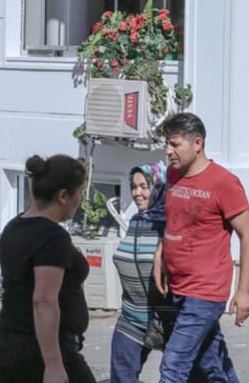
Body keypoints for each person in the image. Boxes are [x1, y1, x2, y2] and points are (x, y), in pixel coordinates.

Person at [154, 112, 249, 383]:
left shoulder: (224, 183)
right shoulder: (172, 175)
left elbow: (247, 235)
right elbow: (175, 222)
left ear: (197, 143)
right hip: (178, 286)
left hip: (206, 291)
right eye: (167, 143)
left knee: (173, 366)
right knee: (212, 366)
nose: (168, 151)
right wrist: (160, 255)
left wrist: (244, 291)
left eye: (175, 144)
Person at [0, 154, 96, 383]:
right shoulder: (51, 236)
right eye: (79, 193)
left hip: (9, 343)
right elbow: (44, 300)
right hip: (38, 351)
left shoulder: (15, 226)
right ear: (63, 196)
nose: (80, 200)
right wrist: (54, 365)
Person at [109, 162, 176, 383]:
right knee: (121, 376)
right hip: (132, 316)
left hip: (169, 319)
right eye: (134, 186)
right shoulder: (137, 221)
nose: (137, 193)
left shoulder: (172, 225)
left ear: (159, 186)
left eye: (144, 186)